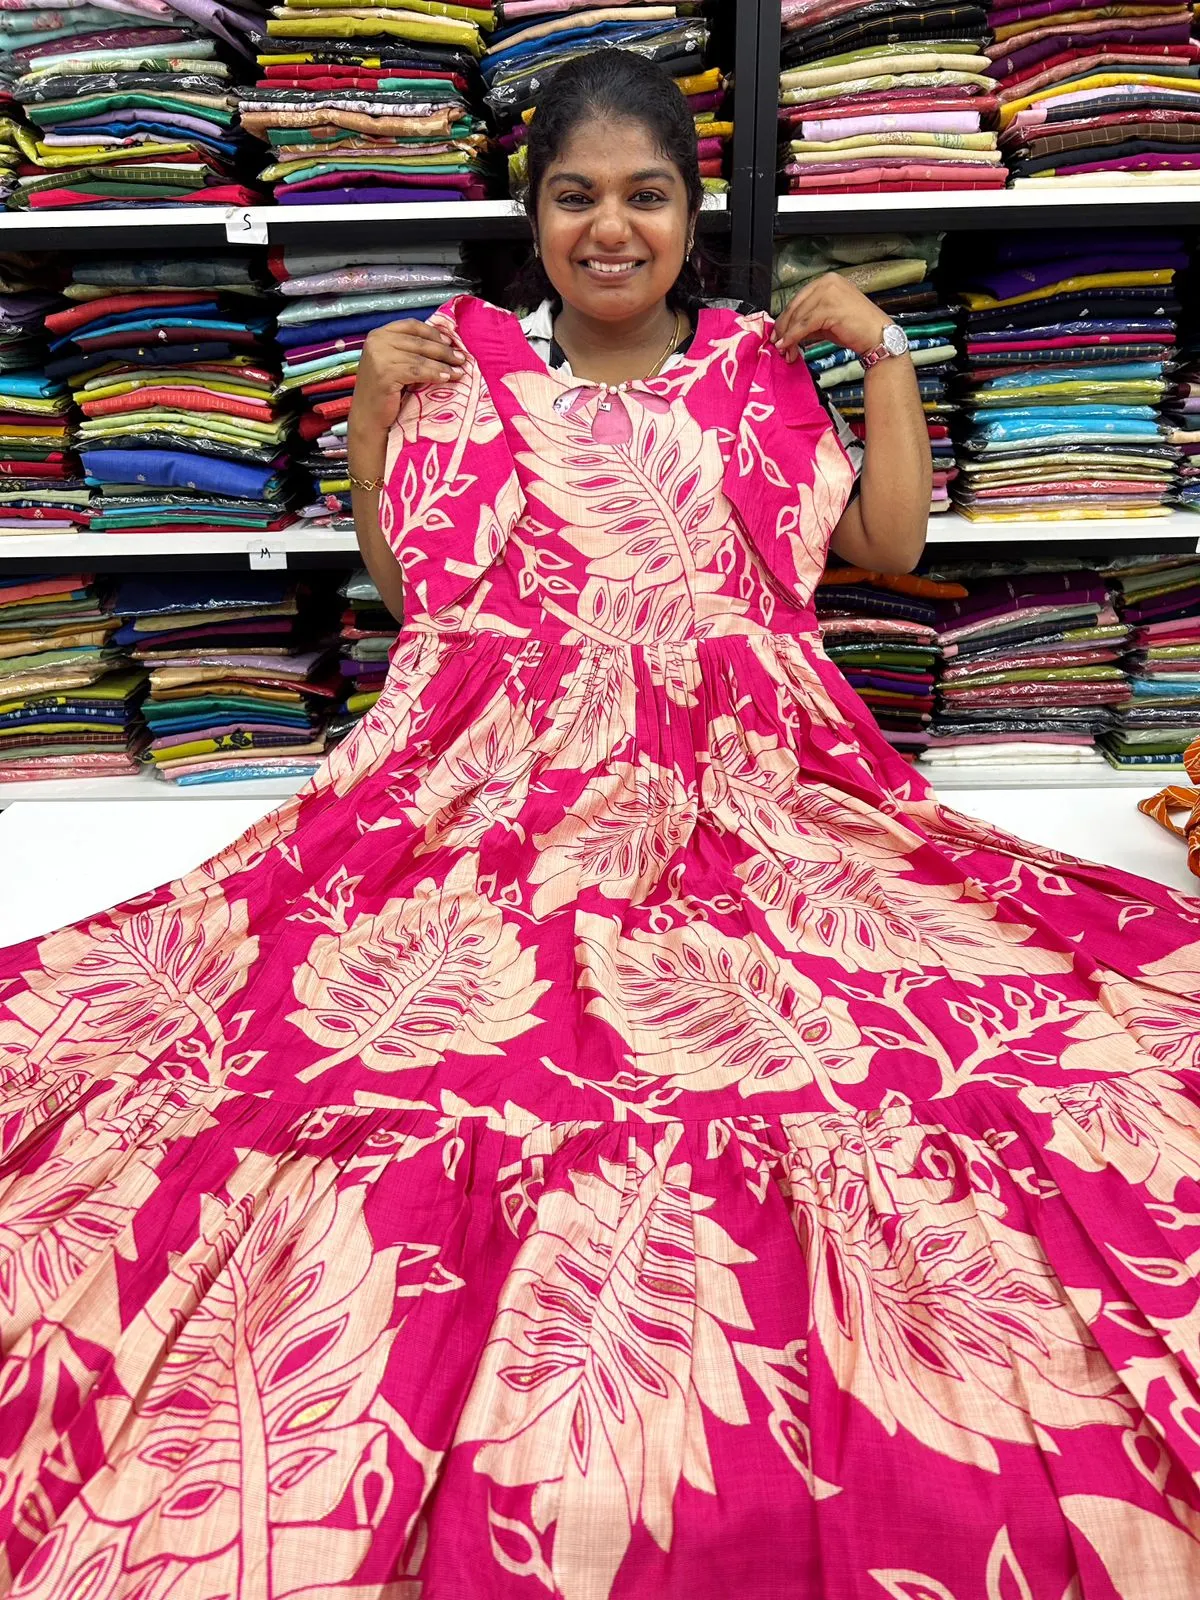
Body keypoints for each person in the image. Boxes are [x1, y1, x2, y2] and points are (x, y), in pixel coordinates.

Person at [1, 46, 1199, 1600]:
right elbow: (419, 587)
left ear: (694, 218)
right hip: (497, 776)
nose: (610, 228)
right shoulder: (463, 366)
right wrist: (372, 420)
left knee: (927, 1014)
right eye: (576, 198)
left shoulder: (758, 367)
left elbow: (893, 542)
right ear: (535, 215)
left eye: (645, 197)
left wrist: (887, 353)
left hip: (750, 779)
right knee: (302, 1018)